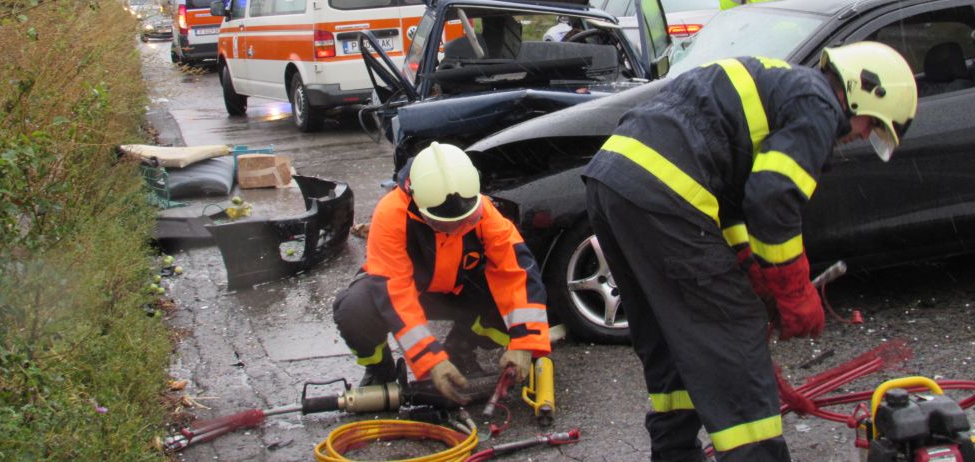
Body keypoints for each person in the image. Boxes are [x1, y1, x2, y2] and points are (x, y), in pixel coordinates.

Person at [582, 42, 917, 461]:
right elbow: (773, 197)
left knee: (674, 337)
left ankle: (674, 454)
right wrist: (794, 292)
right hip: (665, 191)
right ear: (864, 91)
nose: (864, 134)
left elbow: (732, 197)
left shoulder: (783, 83)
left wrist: (751, 268)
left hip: (613, 183)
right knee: (734, 334)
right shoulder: (819, 107)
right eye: (874, 124)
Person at [333, 142, 551, 404]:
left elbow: (516, 270)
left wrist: (524, 343)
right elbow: (395, 292)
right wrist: (429, 361)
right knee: (354, 309)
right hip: (411, 293)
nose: (455, 229)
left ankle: (461, 348)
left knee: (514, 311)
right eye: (442, 224)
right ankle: (380, 369)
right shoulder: (391, 215)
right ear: (417, 202)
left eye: (464, 221)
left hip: (459, 291)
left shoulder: (484, 210)